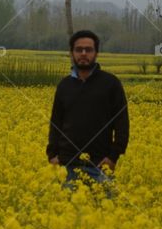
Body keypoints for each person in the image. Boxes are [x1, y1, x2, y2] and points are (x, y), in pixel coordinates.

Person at [47, 29, 129, 192]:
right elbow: (55, 123)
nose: (83, 54)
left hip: (100, 165)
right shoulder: (64, 85)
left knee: (104, 214)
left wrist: (113, 157)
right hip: (67, 166)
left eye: (88, 50)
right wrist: (52, 155)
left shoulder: (111, 84)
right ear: (72, 53)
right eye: (79, 50)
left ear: (96, 53)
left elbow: (122, 123)